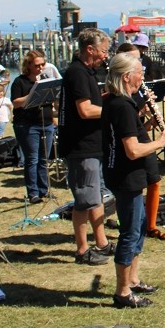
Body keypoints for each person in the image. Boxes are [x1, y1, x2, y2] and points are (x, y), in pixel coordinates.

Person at [101, 52, 165, 308]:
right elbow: (132, 150)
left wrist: (147, 122)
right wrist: (161, 142)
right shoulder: (120, 105)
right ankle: (122, 293)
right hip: (125, 175)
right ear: (126, 76)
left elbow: (131, 133)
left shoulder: (122, 102)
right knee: (130, 233)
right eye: (140, 73)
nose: (143, 78)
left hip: (129, 174)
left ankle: (132, 280)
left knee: (140, 227)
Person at [58, 28, 115, 265]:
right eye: (103, 51)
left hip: (92, 144)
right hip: (81, 146)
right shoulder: (77, 73)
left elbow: (92, 103)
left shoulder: (87, 72)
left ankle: (101, 242)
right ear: (89, 49)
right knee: (83, 200)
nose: (105, 56)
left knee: (95, 198)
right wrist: (114, 112)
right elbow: (85, 110)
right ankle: (82, 250)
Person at [10, 50, 56, 203]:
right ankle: (33, 192)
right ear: (28, 65)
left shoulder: (45, 79)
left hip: (46, 123)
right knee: (32, 159)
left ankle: (44, 189)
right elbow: (15, 102)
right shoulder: (20, 82)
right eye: (37, 65)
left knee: (44, 159)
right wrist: (33, 93)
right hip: (27, 124)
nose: (41, 68)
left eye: (43, 64)